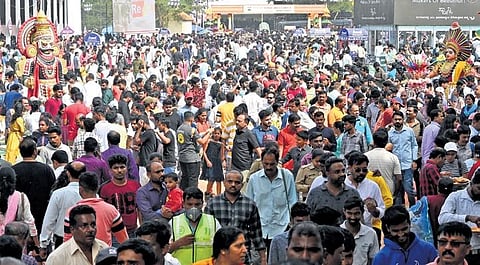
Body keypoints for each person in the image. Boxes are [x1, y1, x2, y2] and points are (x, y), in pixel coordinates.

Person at [205, 170, 266, 265]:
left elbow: (256, 234)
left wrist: (263, 259)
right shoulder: (213, 203)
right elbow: (207, 231)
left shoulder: (250, 205)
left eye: (237, 182)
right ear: (224, 183)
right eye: (230, 181)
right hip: (221, 256)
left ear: (242, 185)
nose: (233, 185)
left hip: (242, 256)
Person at [245, 147, 298, 249]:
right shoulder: (254, 179)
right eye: (265, 164)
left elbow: (292, 201)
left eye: (272, 164)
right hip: (259, 228)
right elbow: (249, 204)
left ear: (277, 162)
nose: (268, 167)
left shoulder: (287, 176)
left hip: (282, 227)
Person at [64, 172, 129, 246]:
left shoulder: (71, 212)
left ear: (81, 190)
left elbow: (67, 240)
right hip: (103, 255)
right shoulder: (111, 210)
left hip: (80, 255)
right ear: (97, 188)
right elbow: (123, 239)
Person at [13, 137, 55, 235]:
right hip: (43, 214)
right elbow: (53, 190)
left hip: (19, 216)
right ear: (35, 151)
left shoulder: (14, 170)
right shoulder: (46, 170)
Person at [40, 161, 86, 251]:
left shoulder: (58, 194)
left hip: (62, 240)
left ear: (68, 173)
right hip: (85, 240)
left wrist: (43, 244)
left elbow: (49, 220)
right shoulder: (91, 194)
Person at [169, 187, 221, 265]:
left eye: (197, 204)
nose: (193, 208)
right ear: (183, 204)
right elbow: (163, 251)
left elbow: (222, 248)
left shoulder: (213, 222)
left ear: (202, 204)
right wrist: (177, 244)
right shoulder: (173, 222)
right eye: (189, 204)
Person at [439, 170, 480, 265]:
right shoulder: (455, 197)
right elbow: (442, 218)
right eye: (479, 188)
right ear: (471, 183)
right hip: (459, 254)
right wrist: (467, 218)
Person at [372, 205, 437, 265]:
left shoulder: (428, 250)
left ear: (410, 224)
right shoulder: (380, 258)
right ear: (388, 228)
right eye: (395, 231)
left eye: (404, 229)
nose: (401, 234)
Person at [99, 154, 141, 238]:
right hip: (114, 233)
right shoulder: (105, 189)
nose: (119, 170)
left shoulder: (135, 186)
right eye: (115, 168)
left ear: (126, 168)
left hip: (133, 231)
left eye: (122, 167)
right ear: (110, 170)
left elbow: (139, 209)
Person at [388, 110, 418, 206]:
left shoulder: (409, 131)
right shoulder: (390, 133)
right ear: (392, 120)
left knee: (409, 189)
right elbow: (388, 148)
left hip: (407, 164)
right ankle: (400, 210)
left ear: (403, 120)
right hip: (395, 166)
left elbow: (414, 145)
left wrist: (414, 160)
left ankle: (413, 209)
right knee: (397, 190)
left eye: (399, 119)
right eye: (395, 119)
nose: (397, 121)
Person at [177, 111, 212, 190]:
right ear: (192, 118)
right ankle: (192, 197)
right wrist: (209, 133)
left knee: (184, 178)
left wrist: (205, 133)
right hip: (192, 158)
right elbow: (202, 141)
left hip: (182, 157)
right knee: (193, 179)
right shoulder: (191, 129)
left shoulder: (179, 128)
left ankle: (182, 196)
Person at [365, 130, 402, 202]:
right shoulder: (393, 157)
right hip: (388, 192)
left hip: (370, 192)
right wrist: (395, 194)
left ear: (374, 142)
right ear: (386, 142)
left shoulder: (365, 156)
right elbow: (399, 178)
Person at [340, 197, 379, 265]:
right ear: (344, 211)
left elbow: (373, 259)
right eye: (349, 213)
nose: (353, 217)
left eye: (356, 213)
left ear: (362, 212)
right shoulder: (337, 232)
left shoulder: (371, 233)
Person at [201, 127, 225, 197]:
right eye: (215, 133)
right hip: (210, 162)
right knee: (211, 179)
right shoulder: (209, 141)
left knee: (218, 180)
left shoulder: (221, 144)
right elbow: (204, 152)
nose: (216, 135)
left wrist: (223, 161)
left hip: (217, 163)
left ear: (220, 135)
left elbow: (222, 155)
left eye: (218, 133)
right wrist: (207, 161)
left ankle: (219, 195)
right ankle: (207, 192)